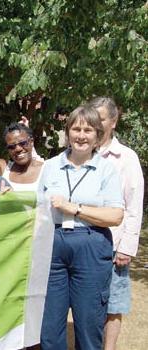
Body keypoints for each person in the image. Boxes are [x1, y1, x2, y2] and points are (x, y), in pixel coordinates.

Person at [38, 105, 124, 350]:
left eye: (88, 130)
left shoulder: (106, 169)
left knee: (88, 324)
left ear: (98, 135)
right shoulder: (51, 166)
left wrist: (74, 208)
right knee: (50, 326)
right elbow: (36, 209)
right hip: (53, 246)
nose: (81, 135)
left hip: (91, 245)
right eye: (76, 128)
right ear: (68, 132)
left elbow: (115, 215)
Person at [87, 97, 144, 350]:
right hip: (84, 242)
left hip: (114, 242)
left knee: (114, 305)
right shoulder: (81, 151)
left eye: (100, 119)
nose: (95, 125)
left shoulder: (126, 158)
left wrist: (127, 247)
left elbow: (134, 204)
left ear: (113, 121)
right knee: (86, 303)